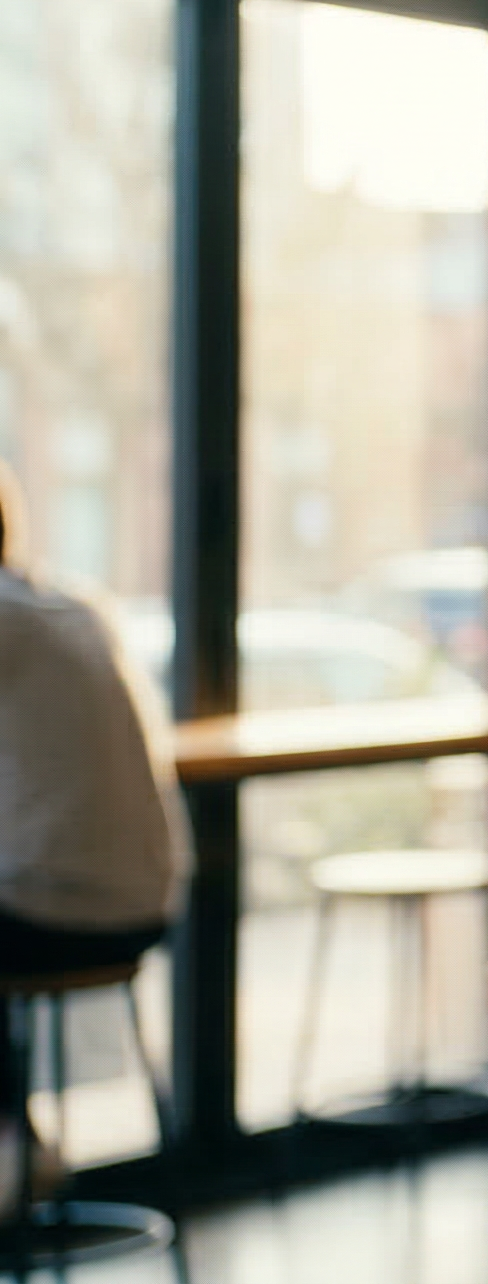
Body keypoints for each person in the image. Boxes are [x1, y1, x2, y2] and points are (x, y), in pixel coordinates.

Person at [0, 463, 180, 1215]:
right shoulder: (74, 606)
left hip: (55, 915)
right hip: (148, 905)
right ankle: (18, 1139)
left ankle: (14, 1143)